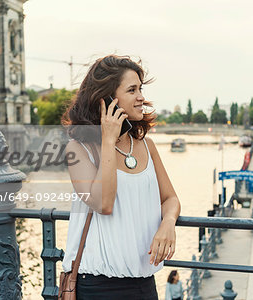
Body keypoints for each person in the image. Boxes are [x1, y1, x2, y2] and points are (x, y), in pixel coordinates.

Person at [61, 55, 181, 300]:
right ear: (107, 99)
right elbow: (103, 204)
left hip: (144, 283)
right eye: (132, 90)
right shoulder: (78, 149)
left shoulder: (146, 145)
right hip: (97, 285)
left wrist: (168, 223)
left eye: (140, 88)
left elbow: (170, 198)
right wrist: (107, 139)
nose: (141, 97)